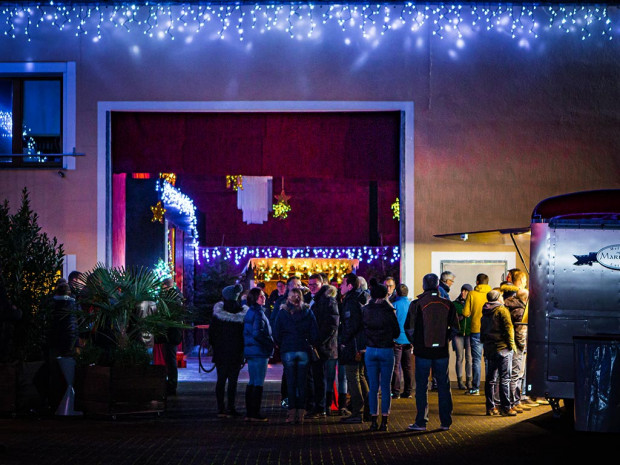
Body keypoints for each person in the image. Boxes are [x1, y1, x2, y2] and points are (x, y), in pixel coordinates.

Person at [405, 273, 459, 432]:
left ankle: (421, 422)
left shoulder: (416, 304)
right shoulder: (448, 304)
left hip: (422, 351)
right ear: (437, 285)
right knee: (444, 386)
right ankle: (445, 422)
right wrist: (445, 340)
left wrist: (416, 342)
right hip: (441, 352)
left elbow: (409, 328)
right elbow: (455, 328)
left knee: (421, 387)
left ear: (423, 285)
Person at [273, 287, 319, 424]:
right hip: (303, 349)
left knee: (291, 382)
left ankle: (292, 412)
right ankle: (302, 412)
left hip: (288, 349)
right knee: (302, 382)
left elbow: (276, 332)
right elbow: (315, 332)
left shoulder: (282, 313)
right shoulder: (308, 312)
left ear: (288, 298)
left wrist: (282, 343)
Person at [363, 284, 400, 432]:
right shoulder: (389, 310)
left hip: (371, 349)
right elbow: (396, 332)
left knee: (373, 387)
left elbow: (362, 329)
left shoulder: (365, 310)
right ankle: (384, 420)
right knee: (385, 387)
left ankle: (373, 419)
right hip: (386, 350)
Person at [209, 284, 248, 418]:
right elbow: (244, 335)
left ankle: (221, 408)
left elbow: (212, 335)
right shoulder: (242, 314)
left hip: (221, 353)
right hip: (236, 353)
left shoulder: (218, 314)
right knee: (233, 381)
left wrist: (215, 347)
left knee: (221, 380)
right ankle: (231, 407)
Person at [305, 274, 339, 419]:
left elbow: (332, 325)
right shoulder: (317, 299)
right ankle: (320, 407)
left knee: (322, 379)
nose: (312, 287)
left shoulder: (327, 300)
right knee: (318, 378)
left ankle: (322, 408)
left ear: (322, 284)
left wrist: (319, 342)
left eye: (315, 284)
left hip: (324, 348)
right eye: (310, 284)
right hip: (319, 346)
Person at [480, 289, 517, 416]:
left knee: (490, 380)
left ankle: (490, 407)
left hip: (490, 349)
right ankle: (506, 407)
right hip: (503, 349)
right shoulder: (502, 310)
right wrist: (512, 346)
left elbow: (482, 331)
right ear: (498, 298)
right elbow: (508, 328)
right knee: (505, 379)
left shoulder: (485, 311)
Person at [338, 273, 368, 424]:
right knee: (360, 375)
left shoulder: (351, 301)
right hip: (361, 344)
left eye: (342, 284)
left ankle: (358, 411)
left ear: (350, 286)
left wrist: (344, 341)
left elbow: (351, 324)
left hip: (353, 345)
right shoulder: (361, 297)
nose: (340, 287)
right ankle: (369, 409)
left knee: (353, 376)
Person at [269, 276, 303, 409]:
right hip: (287, 344)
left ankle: (300, 401)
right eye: (294, 285)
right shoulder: (281, 302)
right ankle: (286, 399)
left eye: (299, 285)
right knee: (288, 372)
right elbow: (274, 322)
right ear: (288, 287)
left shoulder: (304, 302)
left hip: (301, 344)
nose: (297, 288)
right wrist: (278, 340)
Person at [243, 287, 274, 422]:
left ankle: (250, 411)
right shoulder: (259, 313)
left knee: (252, 381)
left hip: (251, 351)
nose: (264, 298)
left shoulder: (250, 312)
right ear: (256, 298)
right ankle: (255, 412)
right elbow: (257, 333)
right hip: (259, 351)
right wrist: (269, 343)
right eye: (261, 296)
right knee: (258, 382)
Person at [461, 273, 492, 396]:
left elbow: (466, 313)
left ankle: (475, 388)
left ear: (477, 282)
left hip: (476, 330)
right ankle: (490, 388)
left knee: (476, 360)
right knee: (489, 360)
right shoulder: (492, 294)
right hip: (490, 331)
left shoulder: (472, 294)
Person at [504, 288, 530, 413]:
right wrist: (523, 347)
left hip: (513, 346)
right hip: (518, 348)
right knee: (516, 375)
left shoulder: (511, 305)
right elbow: (521, 332)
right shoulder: (520, 311)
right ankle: (514, 402)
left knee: (516, 375)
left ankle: (516, 401)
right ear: (525, 299)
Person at [160, 278, 184, 396]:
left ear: (165, 286)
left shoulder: (171, 299)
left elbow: (167, 316)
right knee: (170, 359)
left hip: (170, 333)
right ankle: (171, 384)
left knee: (170, 360)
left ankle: (172, 385)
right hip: (173, 333)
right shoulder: (177, 297)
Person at [391, 283, 414, 400]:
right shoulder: (411, 305)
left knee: (395, 366)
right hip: (408, 340)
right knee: (407, 366)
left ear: (397, 293)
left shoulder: (394, 305)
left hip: (397, 339)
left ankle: (395, 391)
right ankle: (408, 391)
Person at [453, 284, 473, 390]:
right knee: (459, 357)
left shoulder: (473, 303)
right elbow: (452, 318)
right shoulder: (455, 304)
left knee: (469, 358)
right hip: (458, 334)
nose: (463, 293)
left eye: (466, 291)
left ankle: (469, 380)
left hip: (470, 333)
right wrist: (460, 317)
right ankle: (460, 381)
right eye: (462, 291)